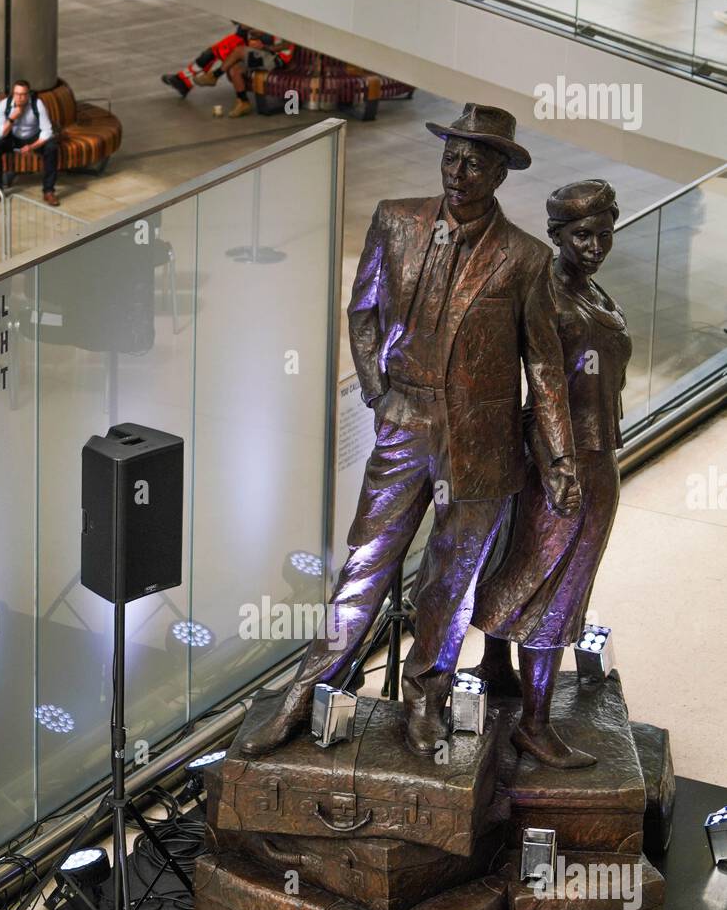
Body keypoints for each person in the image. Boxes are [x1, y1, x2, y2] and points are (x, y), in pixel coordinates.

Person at [238, 104, 579, 759]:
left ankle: (426, 697)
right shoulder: (395, 219)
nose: (459, 169)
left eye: (475, 160)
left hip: (480, 445)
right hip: (403, 424)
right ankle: (306, 692)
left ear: (500, 173)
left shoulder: (526, 259)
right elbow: (362, 311)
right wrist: (375, 391)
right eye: (451, 155)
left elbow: (543, 366)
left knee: (447, 583)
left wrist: (559, 456)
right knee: (365, 563)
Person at [471, 180, 630, 769]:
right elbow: (548, 388)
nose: (594, 246)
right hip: (572, 458)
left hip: (576, 450)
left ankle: (495, 668)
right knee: (557, 588)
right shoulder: (554, 297)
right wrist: (561, 464)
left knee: (522, 562)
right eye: (580, 236)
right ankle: (535, 727)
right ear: (556, 237)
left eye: (603, 234)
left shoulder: (587, 290)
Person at [0, 79, 59, 207]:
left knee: (52, 148)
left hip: (32, 137)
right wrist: (12, 118)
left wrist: (32, 146)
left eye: (23, 94)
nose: (20, 98)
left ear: (28, 94)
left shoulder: (37, 104)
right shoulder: (4, 104)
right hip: (12, 137)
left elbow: (47, 131)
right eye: (17, 94)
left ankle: (48, 191)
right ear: (13, 94)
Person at [220, 29, 295, 118]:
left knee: (239, 51)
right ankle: (243, 101)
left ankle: (215, 75)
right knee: (234, 69)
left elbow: (286, 45)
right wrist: (256, 33)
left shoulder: (287, 24)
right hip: (266, 55)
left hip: (279, 59)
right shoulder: (270, 21)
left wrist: (264, 47)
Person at [160, 24, 247, 98]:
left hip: (247, 41)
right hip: (241, 37)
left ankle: (182, 80)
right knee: (210, 53)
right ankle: (185, 82)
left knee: (212, 53)